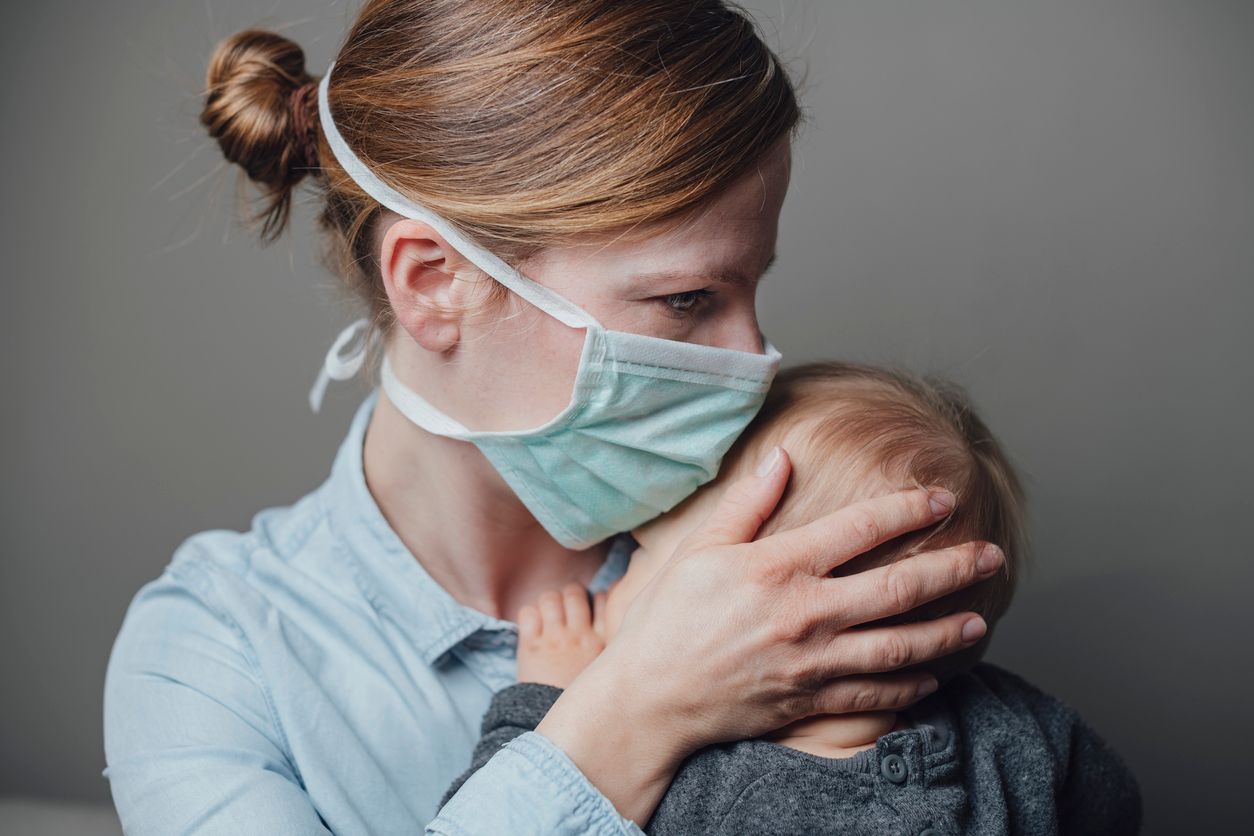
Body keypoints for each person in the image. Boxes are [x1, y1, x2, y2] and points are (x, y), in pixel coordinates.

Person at [103, 3, 1004, 833]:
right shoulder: (213, 659)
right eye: (688, 298)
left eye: (750, 286)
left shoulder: (805, 560)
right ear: (432, 283)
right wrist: (646, 704)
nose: (753, 355)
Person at [442, 362, 1143, 834]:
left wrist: (544, 706)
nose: (611, 564)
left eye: (643, 553)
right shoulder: (1023, 728)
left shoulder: (700, 800)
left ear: (771, 616)